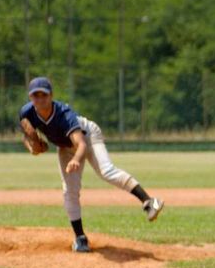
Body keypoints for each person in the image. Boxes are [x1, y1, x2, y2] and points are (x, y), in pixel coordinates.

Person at [18, 76, 164, 252]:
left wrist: (76, 160)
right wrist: (30, 145)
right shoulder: (26, 112)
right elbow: (27, 134)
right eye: (36, 95)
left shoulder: (65, 115)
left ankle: (149, 202)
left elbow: (81, 145)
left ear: (51, 95)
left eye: (44, 95)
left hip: (88, 136)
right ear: (30, 97)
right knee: (69, 190)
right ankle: (80, 239)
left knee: (107, 171)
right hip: (65, 147)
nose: (40, 99)